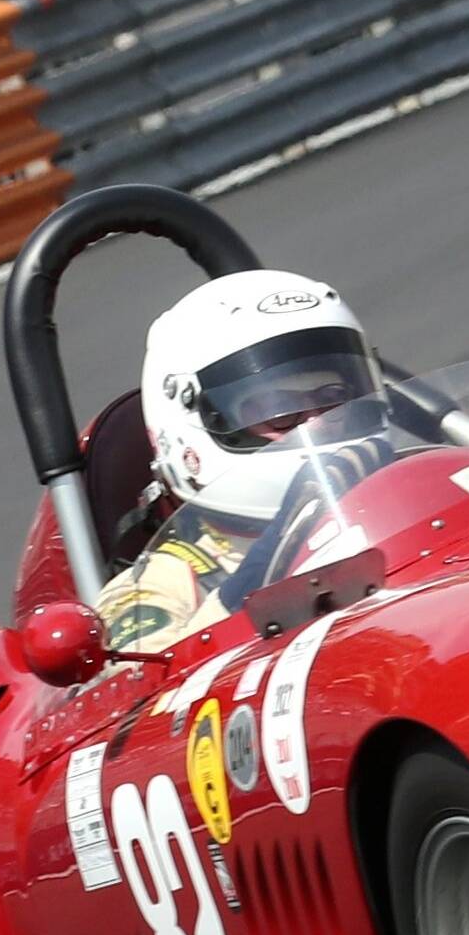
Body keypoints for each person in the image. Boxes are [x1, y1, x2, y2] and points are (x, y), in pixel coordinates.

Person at [93, 269, 399, 653]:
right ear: (186, 435)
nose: (318, 424)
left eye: (334, 397)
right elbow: (140, 697)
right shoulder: (152, 586)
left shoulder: (409, 490)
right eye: (280, 410)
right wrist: (279, 549)